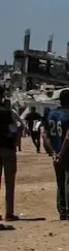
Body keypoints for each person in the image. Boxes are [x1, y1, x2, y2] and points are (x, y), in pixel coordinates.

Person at [44, 89, 69, 221]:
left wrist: (53, 153)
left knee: (60, 183)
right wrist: (61, 153)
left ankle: (62, 211)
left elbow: (45, 136)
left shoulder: (50, 114)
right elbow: (68, 137)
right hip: (68, 153)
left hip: (55, 152)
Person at [0, 91, 19, 224]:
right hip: (7, 148)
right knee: (9, 182)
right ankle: (9, 212)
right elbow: (13, 130)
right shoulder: (6, 112)